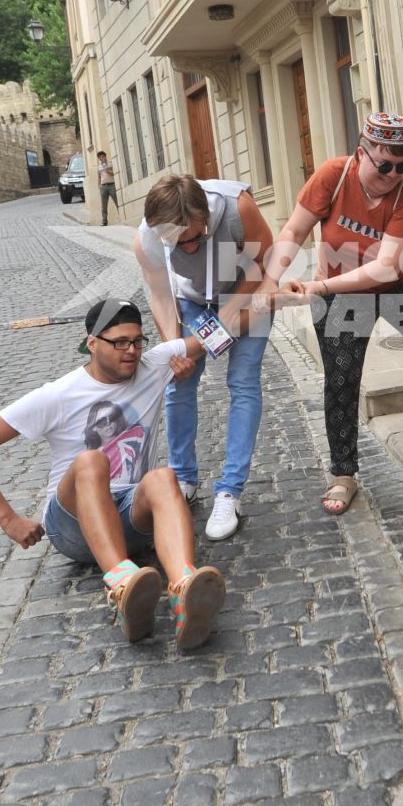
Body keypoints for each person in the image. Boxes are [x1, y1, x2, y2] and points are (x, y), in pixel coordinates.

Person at [0, 300, 227, 649]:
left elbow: (219, 334)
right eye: (120, 343)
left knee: (163, 477)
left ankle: (183, 590)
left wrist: (264, 291)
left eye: (138, 341)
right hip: (73, 524)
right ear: (92, 343)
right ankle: (122, 584)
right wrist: (8, 519)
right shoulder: (58, 395)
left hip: (131, 517)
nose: (131, 351)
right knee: (91, 461)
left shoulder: (154, 363)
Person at [262, 113, 403, 517]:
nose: (393, 174)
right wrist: (268, 281)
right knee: (343, 377)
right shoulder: (333, 174)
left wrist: (318, 288)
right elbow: (294, 232)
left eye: (402, 166)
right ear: (361, 153)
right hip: (338, 289)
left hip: (394, 283)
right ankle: (343, 473)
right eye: (384, 165)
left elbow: (385, 267)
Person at [136, 175, 274, 541]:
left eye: (194, 238)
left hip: (245, 292)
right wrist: (173, 349)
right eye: (177, 244)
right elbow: (161, 294)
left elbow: (266, 257)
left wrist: (234, 307)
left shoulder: (237, 207)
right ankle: (183, 479)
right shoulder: (148, 237)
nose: (188, 248)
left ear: (205, 218)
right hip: (191, 301)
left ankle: (230, 492)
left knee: (243, 384)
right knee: (177, 385)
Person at [97, 150, 119, 223]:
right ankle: (104, 220)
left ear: (105, 156)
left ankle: (121, 216)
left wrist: (108, 171)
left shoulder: (110, 164)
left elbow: (115, 173)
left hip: (111, 185)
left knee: (117, 202)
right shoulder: (99, 167)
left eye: (102, 156)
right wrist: (99, 185)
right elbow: (99, 177)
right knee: (104, 205)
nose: (101, 158)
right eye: (100, 157)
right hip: (103, 186)